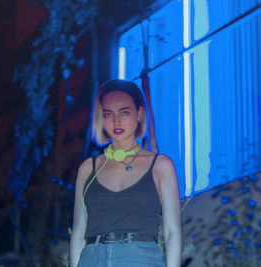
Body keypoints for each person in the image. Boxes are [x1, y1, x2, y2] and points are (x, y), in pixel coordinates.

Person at [69, 79, 182, 267]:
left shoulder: (161, 166)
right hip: (92, 259)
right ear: (100, 118)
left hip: (140, 259)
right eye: (108, 114)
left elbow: (172, 232)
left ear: (139, 114)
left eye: (124, 112)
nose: (116, 121)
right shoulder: (88, 168)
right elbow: (79, 233)